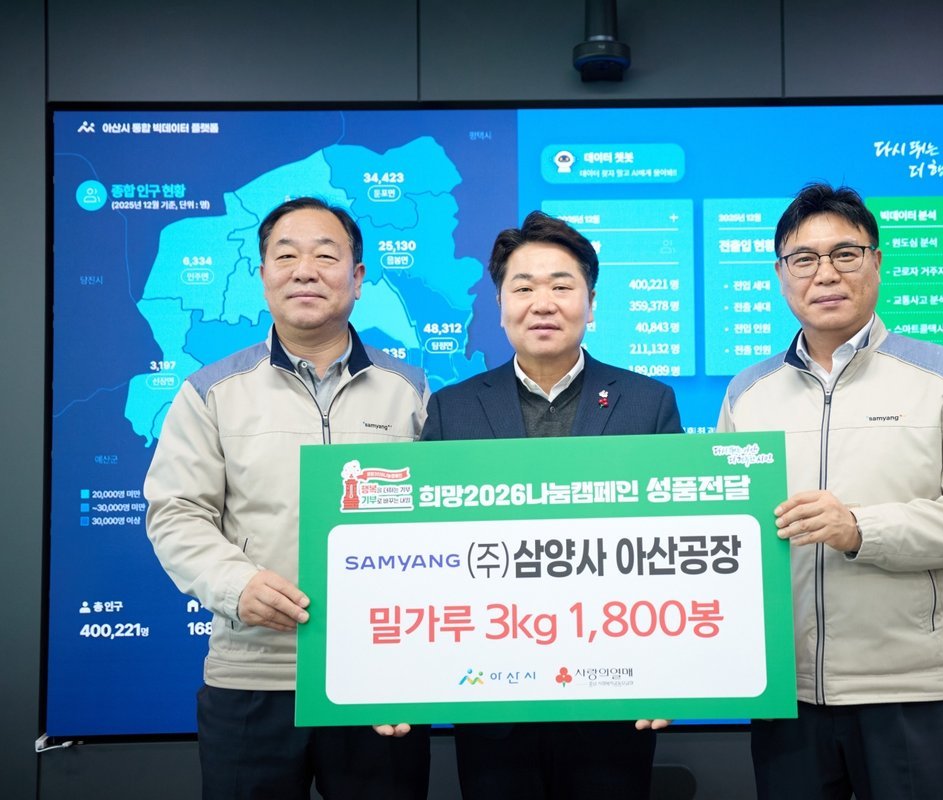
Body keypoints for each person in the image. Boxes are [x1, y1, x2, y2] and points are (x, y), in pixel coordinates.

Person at [718, 182, 943, 799]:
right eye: (804, 259)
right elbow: (726, 539)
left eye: (845, 254)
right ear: (781, 275)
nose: (825, 274)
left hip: (910, 691)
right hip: (788, 696)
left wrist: (861, 528)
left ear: (876, 262)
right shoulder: (748, 393)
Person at [145, 196, 431, 799]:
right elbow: (177, 512)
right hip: (251, 675)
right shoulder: (212, 391)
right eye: (286, 256)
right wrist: (236, 585)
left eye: (326, 256)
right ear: (262, 276)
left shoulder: (409, 391)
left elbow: (440, 521)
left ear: (357, 277)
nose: (305, 271)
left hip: (377, 673)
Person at [390, 210, 679, 799]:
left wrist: (670, 673)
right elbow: (420, 551)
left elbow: (675, 551)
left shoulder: (647, 402)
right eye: (522, 288)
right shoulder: (453, 409)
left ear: (591, 304)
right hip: (490, 694)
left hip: (615, 694)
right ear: (499, 305)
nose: (542, 304)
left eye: (561, 286)